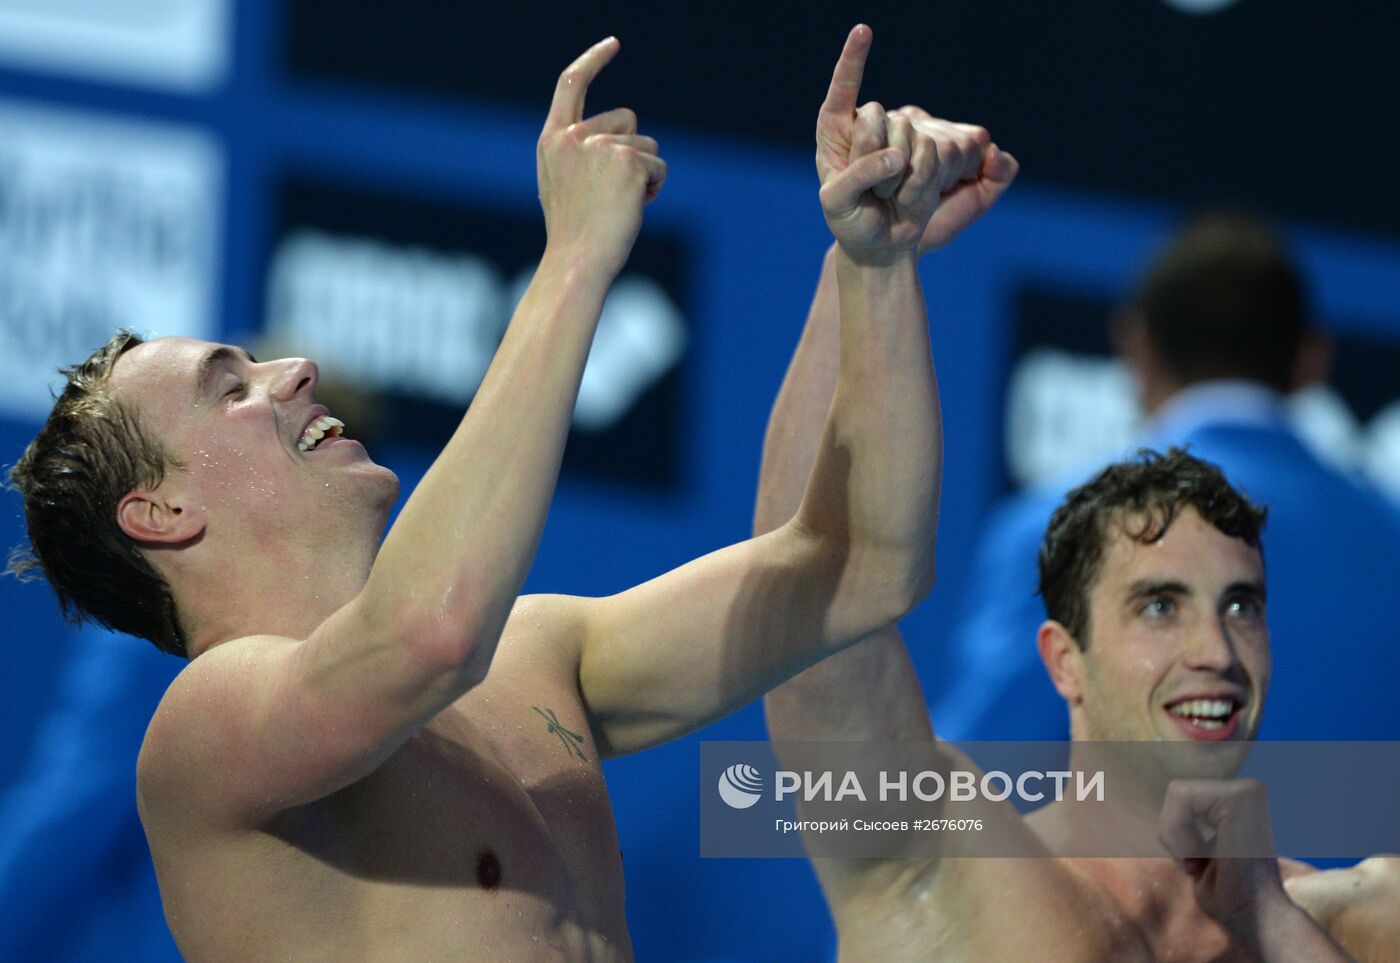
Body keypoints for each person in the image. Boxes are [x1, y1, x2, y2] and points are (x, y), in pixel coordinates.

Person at [7, 26, 963, 960]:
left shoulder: (540, 653)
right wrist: (576, 258)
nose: (294, 369)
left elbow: (862, 565)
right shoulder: (203, 729)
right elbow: (429, 635)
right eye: (232, 387)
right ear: (161, 512)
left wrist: (873, 262)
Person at [756, 132, 1398, 953]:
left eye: (1242, 605)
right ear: (1062, 656)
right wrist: (865, 264)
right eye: (1159, 605)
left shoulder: (1352, 918)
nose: (1217, 650)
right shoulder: (943, 874)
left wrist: (1268, 918)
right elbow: (810, 591)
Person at [934, 213, 1400, 742]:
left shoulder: (1055, 528)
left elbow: (980, 780)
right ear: (1312, 357)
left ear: (1136, 346)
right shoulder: (1392, 538)